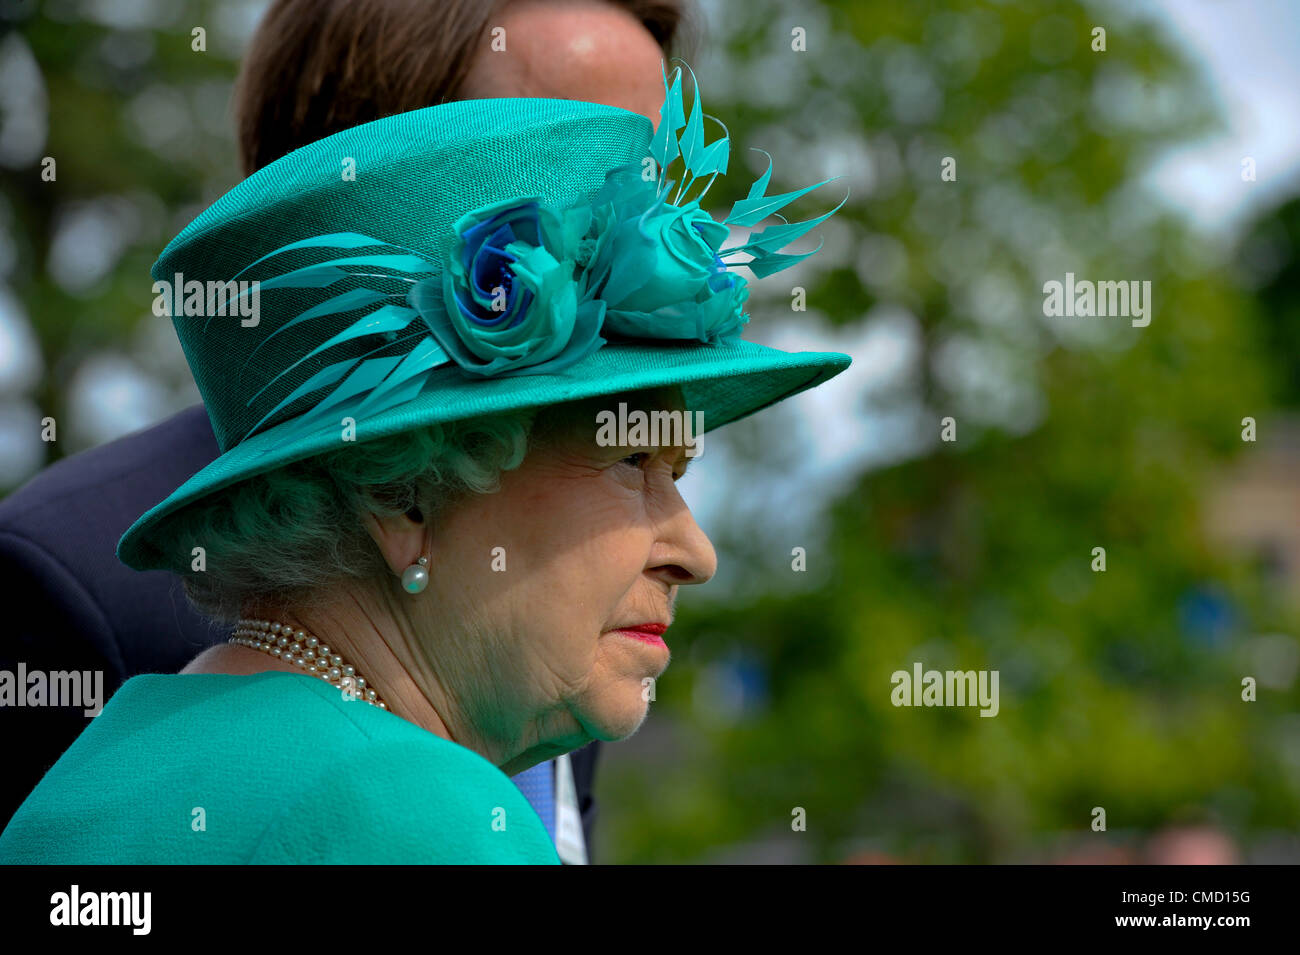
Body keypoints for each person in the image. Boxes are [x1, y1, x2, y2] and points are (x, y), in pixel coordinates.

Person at [0, 45, 850, 861]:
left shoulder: (124, 751)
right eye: (630, 462)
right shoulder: (411, 811)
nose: (694, 553)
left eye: (680, 473)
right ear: (402, 494)